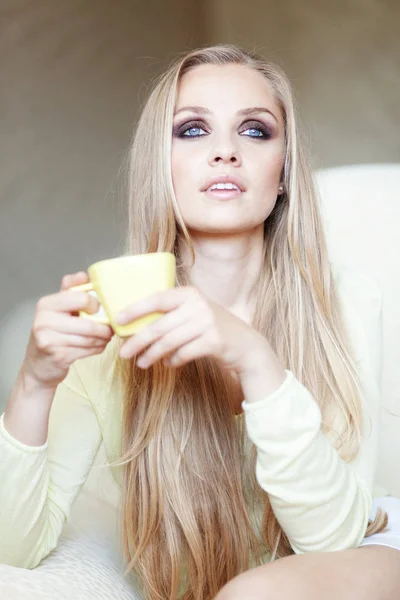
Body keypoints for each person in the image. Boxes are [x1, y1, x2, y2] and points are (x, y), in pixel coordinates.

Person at [1, 44, 399, 600]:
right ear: (158, 166)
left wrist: (255, 359)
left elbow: (331, 542)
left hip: (369, 550)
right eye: (192, 130)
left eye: (255, 131)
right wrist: (35, 382)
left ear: (283, 172)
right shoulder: (111, 326)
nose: (226, 152)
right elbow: (14, 554)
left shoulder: (346, 300)